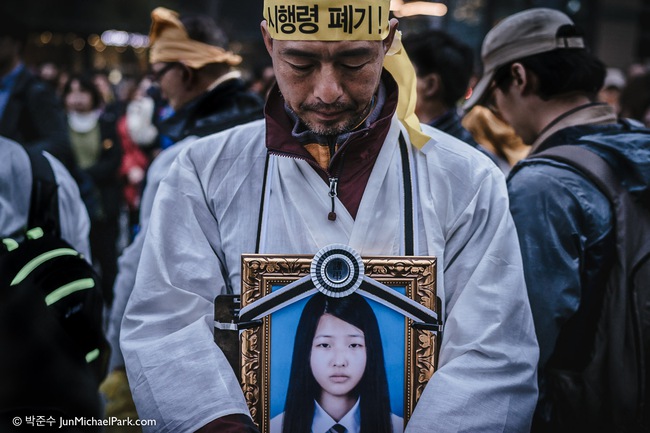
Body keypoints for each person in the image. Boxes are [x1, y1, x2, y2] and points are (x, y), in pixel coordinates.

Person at [120, 1, 539, 432]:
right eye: (300, 62)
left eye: (353, 60)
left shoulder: (465, 179)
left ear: (388, 42)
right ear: (269, 43)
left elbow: (492, 353)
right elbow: (167, 323)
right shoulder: (203, 172)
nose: (327, 91)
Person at [463, 8, 650, 432]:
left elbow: (522, 340)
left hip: (579, 412)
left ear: (519, 77)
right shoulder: (637, 145)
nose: (498, 111)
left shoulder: (543, 186)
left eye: (494, 94)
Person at [101, 7, 265, 430]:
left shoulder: (182, 159)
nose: (155, 84)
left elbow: (138, 271)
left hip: (195, 372)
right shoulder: (285, 136)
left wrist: (119, 359)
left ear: (187, 72)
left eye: (159, 72)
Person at [271, 293, 402, 433]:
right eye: (325, 345)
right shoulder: (273, 428)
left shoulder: (402, 428)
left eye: (353, 345)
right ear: (305, 351)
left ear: (371, 351)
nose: (339, 362)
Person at [62, 73, 123, 307]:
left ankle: (110, 305)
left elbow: (114, 160)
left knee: (107, 259)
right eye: (71, 92)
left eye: (82, 91)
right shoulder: (59, 125)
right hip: (71, 201)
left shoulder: (105, 123)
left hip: (103, 205)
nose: (77, 98)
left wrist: (85, 175)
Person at [0, 24, 74, 171]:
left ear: (16, 44)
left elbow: (58, 142)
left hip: (20, 181)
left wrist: (12, 156)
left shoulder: (35, 89)